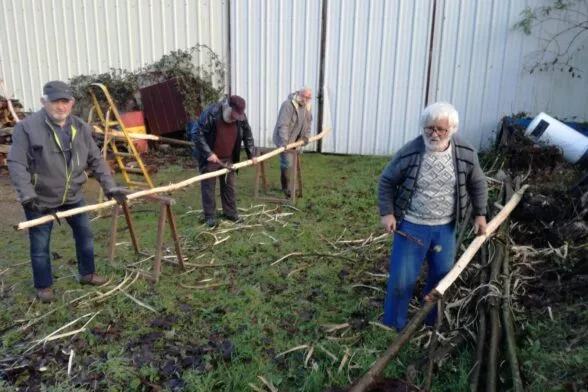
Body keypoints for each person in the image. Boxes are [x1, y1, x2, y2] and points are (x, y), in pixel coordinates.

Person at [8, 80, 129, 303]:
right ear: (44, 102)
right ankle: (44, 287)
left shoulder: (81, 127)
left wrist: (110, 186)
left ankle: (87, 274)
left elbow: (96, 160)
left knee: (85, 236)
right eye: (55, 102)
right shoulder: (26, 128)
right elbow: (16, 163)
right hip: (40, 199)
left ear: (72, 103)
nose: (60, 107)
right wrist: (27, 194)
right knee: (40, 244)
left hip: (73, 195)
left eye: (65, 101)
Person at [377, 102, 488, 331]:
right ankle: (394, 324)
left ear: (453, 130)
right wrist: (387, 213)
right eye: (429, 128)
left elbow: (477, 184)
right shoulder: (410, 152)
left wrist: (480, 215)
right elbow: (387, 181)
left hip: (445, 228)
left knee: (440, 278)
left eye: (441, 129)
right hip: (411, 226)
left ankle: (430, 320)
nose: (434, 134)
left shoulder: (465, 153)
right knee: (401, 279)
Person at [189, 95, 257, 227]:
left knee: (229, 186)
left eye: (237, 116)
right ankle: (210, 216)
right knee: (208, 186)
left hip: (229, 157)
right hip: (210, 158)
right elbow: (196, 133)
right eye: (233, 115)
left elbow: (247, 134)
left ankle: (230, 213)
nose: (235, 119)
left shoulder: (240, 116)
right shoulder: (211, 113)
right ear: (227, 107)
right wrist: (208, 153)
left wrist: (252, 154)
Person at [273, 87, 313, 197]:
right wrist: (284, 143)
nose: (305, 100)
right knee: (287, 163)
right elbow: (283, 125)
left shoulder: (307, 107)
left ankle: (290, 184)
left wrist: (305, 138)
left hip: (296, 141)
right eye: (303, 96)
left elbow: (308, 124)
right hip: (284, 140)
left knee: (293, 163)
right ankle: (286, 188)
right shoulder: (288, 105)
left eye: (308, 98)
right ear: (298, 93)